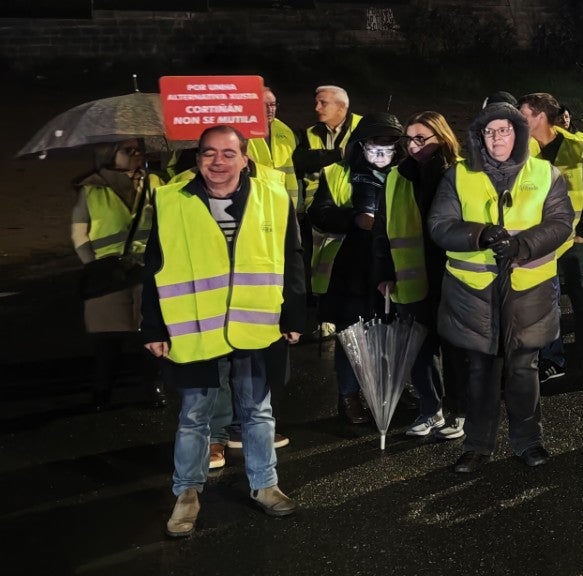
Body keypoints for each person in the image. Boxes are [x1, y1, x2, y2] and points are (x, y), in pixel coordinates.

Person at [141, 126, 307, 538]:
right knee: (194, 417)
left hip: (256, 325)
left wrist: (295, 316)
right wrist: (153, 325)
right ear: (198, 158)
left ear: (245, 158)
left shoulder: (274, 197)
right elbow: (154, 268)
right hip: (196, 329)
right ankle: (187, 494)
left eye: (228, 154)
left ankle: (265, 485)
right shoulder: (170, 202)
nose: (218, 162)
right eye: (209, 153)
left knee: (258, 412)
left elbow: (293, 259)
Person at [428, 104, 575, 473]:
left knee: (525, 370)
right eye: (490, 131)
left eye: (505, 131)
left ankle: (528, 441)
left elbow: (561, 222)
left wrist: (521, 245)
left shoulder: (545, 173)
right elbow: (439, 224)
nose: (497, 138)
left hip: (529, 290)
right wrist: (479, 234)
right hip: (474, 292)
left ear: (518, 135)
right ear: (480, 136)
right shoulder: (457, 175)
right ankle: (478, 445)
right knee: (480, 372)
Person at [308, 114, 407, 427]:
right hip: (349, 270)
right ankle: (349, 397)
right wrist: (354, 220)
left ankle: (392, 392)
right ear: (361, 144)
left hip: (394, 268)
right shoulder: (337, 173)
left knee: (391, 335)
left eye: (390, 142)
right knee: (352, 337)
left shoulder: (404, 174)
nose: (382, 149)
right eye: (376, 142)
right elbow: (319, 214)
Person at [71, 139, 161, 410]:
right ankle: (102, 391)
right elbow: (79, 232)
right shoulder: (92, 188)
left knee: (151, 333)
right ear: (111, 154)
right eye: (128, 150)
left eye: (139, 150)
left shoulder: (154, 183)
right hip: (108, 274)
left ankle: (152, 389)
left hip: (145, 269)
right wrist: (93, 264)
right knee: (107, 339)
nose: (136, 154)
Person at [392, 112, 465, 440]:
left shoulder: (461, 172)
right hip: (412, 275)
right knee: (418, 349)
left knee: (454, 349)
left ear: (442, 137)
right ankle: (429, 408)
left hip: (453, 276)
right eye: (409, 139)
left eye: (422, 138)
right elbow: (385, 227)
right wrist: (384, 272)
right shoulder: (399, 175)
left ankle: (457, 410)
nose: (413, 145)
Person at [522, 92, 583, 385]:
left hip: (572, 242)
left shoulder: (578, 147)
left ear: (540, 116)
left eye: (524, 115)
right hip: (539, 245)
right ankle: (552, 360)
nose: (520, 120)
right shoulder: (523, 151)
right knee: (546, 304)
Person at [292, 85, 364, 213]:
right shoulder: (310, 133)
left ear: (341, 106)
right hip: (315, 210)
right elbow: (300, 161)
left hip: (352, 206)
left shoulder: (363, 127)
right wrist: (340, 154)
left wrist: (320, 158)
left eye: (323, 103)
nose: (317, 108)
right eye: (316, 103)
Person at [246, 84, 300, 204]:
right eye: (264, 105)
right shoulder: (243, 132)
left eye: (273, 105)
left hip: (286, 202)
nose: (270, 110)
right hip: (256, 202)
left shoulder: (285, 131)